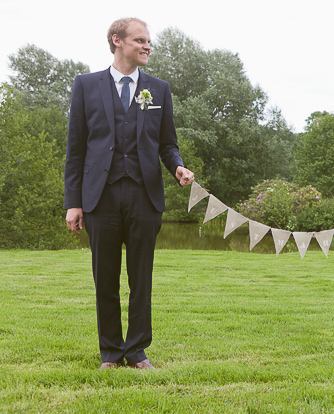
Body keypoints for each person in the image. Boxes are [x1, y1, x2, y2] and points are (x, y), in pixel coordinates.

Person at [64, 17, 195, 369]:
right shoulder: (86, 86)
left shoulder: (159, 89)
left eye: (148, 41)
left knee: (141, 279)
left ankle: (136, 352)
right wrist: (73, 203)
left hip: (144, 197)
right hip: (99, 198)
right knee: (104, 279)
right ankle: (110, 352)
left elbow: (168, 145)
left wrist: (178, 166)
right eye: (140, 40)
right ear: (117, 40)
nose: (147, 46)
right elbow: (76, 150)